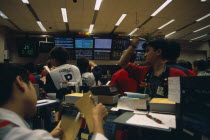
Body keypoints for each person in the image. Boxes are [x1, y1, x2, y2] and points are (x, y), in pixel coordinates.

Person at [0, 63, 108, 140]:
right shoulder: (18, 134)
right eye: (31, 85)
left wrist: (50, 136)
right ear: (20, 83)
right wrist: (97, 120)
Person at [118, 38, 186, 98]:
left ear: (158, 52)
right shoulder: (144, 71)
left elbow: (178, 100)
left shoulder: (175, 74)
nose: (145, 55)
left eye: (148, 51)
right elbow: (122, 63)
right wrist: (133, 46)